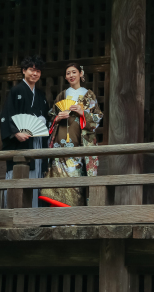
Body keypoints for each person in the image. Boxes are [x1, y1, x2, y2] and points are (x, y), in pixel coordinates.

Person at [40, 63, 103, 206]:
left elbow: (97, 118)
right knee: (57, 183)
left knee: (76, 183)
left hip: (79, 145)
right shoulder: (61, 95)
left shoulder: (88, 95)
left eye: (74, 72)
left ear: (81, 73)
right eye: (68, 73)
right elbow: (50, 116)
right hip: (59, 146)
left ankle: (74, 218)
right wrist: (57, 117)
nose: (71, 76)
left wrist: (83, 113)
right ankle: (57, 218)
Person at [0, 55, 49, 208]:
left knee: (38, 174)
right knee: (21, 174)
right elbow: (6, 115)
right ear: (24, 71)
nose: (35, 74)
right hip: (22, 141)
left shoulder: (41, 95)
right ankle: (16, 209)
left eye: (38, 71)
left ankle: (35, 213)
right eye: (31, 70)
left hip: (38, 141)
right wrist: (15, 133)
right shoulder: (16, 91)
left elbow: (47, 118)